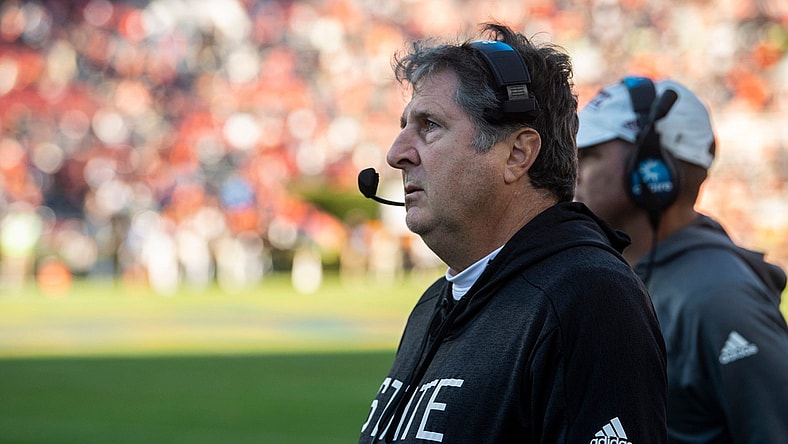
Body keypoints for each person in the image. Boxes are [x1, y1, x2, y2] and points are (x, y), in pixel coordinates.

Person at [358, 23, 667, 444]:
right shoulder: (436, 301)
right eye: (405, 125)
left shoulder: (588, 298)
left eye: (429, 125)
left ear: (518, 154)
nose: (397, 154)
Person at [575, 75, 788, 443]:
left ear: (651, 168)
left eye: (589, 154)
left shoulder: (719, 299)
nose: (573, 169)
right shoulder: (626, 272)